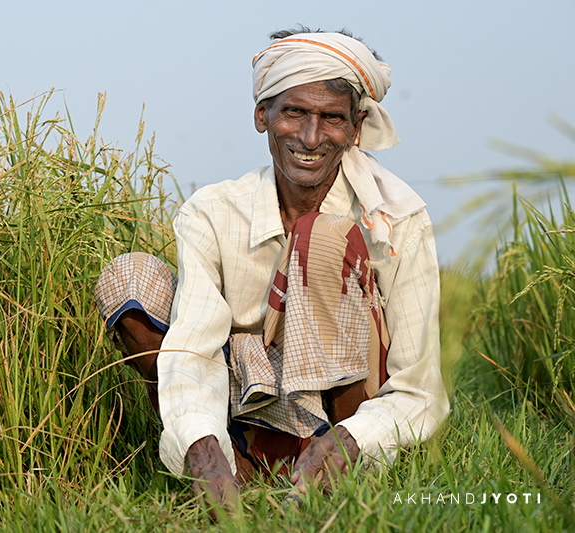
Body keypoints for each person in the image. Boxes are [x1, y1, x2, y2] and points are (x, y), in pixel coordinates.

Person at [94, 26, 448, 508]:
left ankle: (333, 473)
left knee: (320, 238)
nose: (310, 137)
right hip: (247, 403)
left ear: (357, 126)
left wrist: (354, 438)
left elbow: (420, 391)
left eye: (332, 119)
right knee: (129, 280)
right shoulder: (212, 212)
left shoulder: (396, 219)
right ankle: (235, 473)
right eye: (294, 112)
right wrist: (201, 446)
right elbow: (193, 348)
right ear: (263, 115)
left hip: (348, 418)